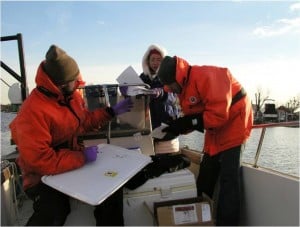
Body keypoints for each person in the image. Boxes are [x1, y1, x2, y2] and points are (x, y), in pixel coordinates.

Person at [9, 45, 133, 226]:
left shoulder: (72, 96)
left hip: (71, 164)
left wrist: (110, 112)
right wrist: (81, 157)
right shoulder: (32, 111)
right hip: (41, 176)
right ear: (60, 85)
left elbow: (83, 122)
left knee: (111, 192)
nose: (78, 83)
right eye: (73, 81)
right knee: (54, 209)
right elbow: (40, 160)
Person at [156, 55, 253, 226]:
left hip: (235, 121)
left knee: (229, 178)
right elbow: (196, 117)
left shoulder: (205, 76)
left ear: (177, 77)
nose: (170, 89)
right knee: (206, 173)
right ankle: (200, 220)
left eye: (171, 85)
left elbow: (218, 114)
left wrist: (189, 122)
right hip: (215, 128)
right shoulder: (182, 88)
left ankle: (227, 223)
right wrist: (176, 126)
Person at [140, 44, 181, 154]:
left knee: (167, 162)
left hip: (167, 127)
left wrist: (161, 93)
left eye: (159, 60)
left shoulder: (171, 75)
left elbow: (174, 96)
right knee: (149, 162)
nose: (155, 63)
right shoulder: (142, 78)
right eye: (152, 59)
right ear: (147, 61)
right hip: (148, 128)